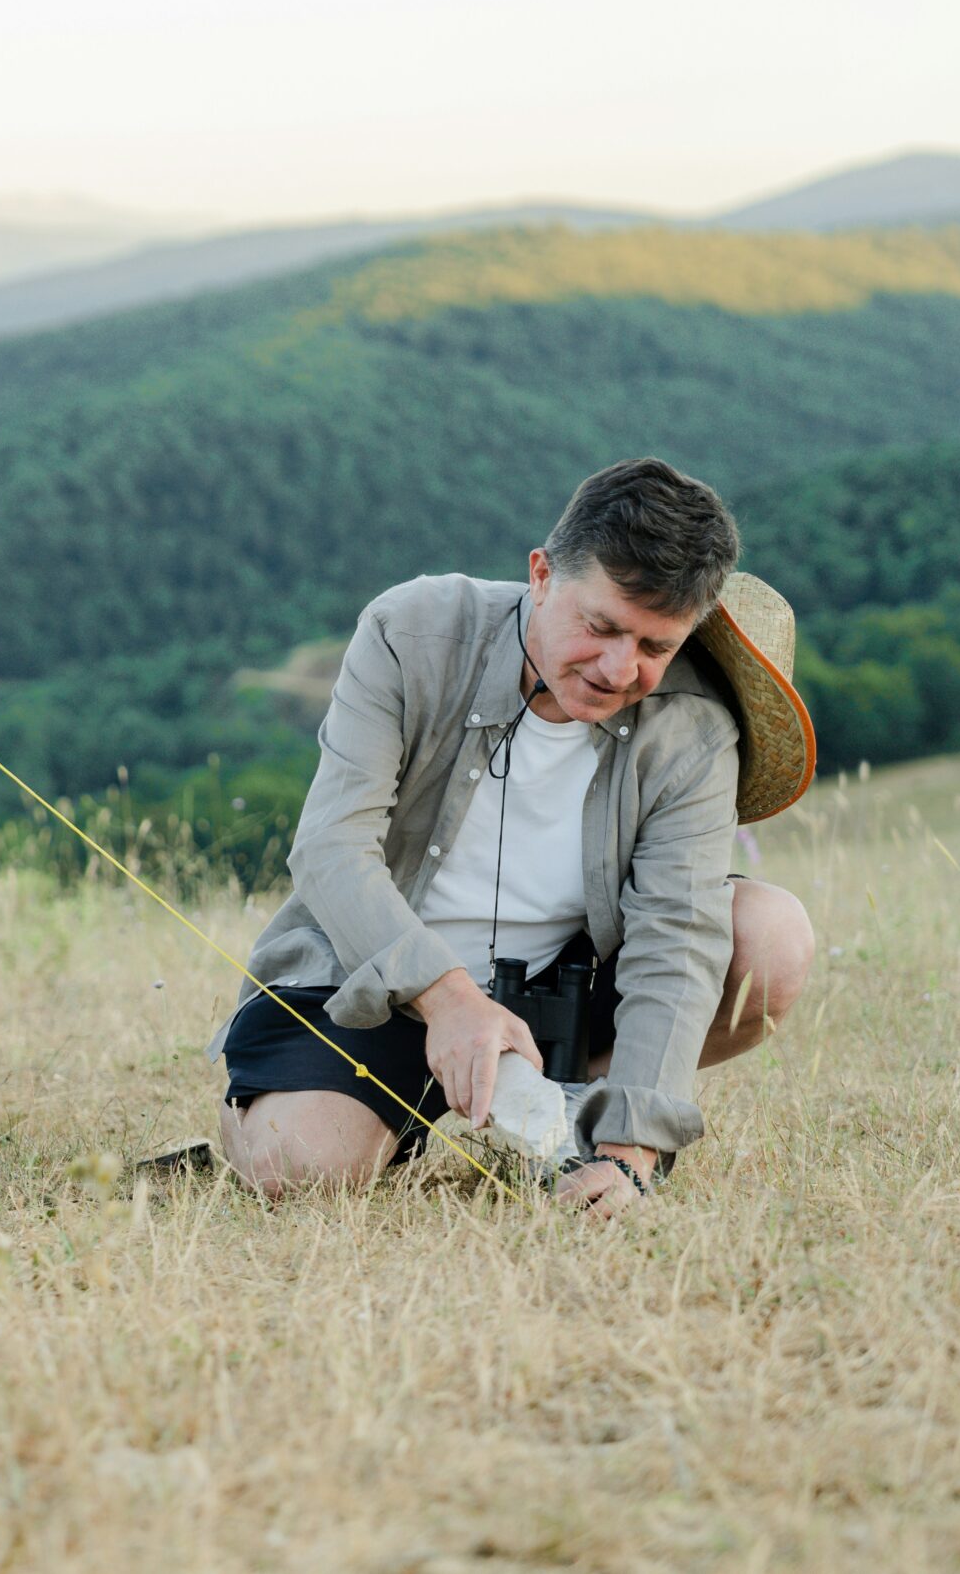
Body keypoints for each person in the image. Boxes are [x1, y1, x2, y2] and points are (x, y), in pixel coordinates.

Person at [213, 458, 818, 1219]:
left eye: (655, 647)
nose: (617, 668)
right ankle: (316, 1111)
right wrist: (450, 999)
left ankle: (562, 1105)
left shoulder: (695, 727)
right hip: (370, 984)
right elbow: (330, 851)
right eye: (599, 626)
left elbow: (679, 934)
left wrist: (631, 1151)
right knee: (300, 1168)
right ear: (541, 575)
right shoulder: (409, 632)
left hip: (562, 1001)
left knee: (772, 936)